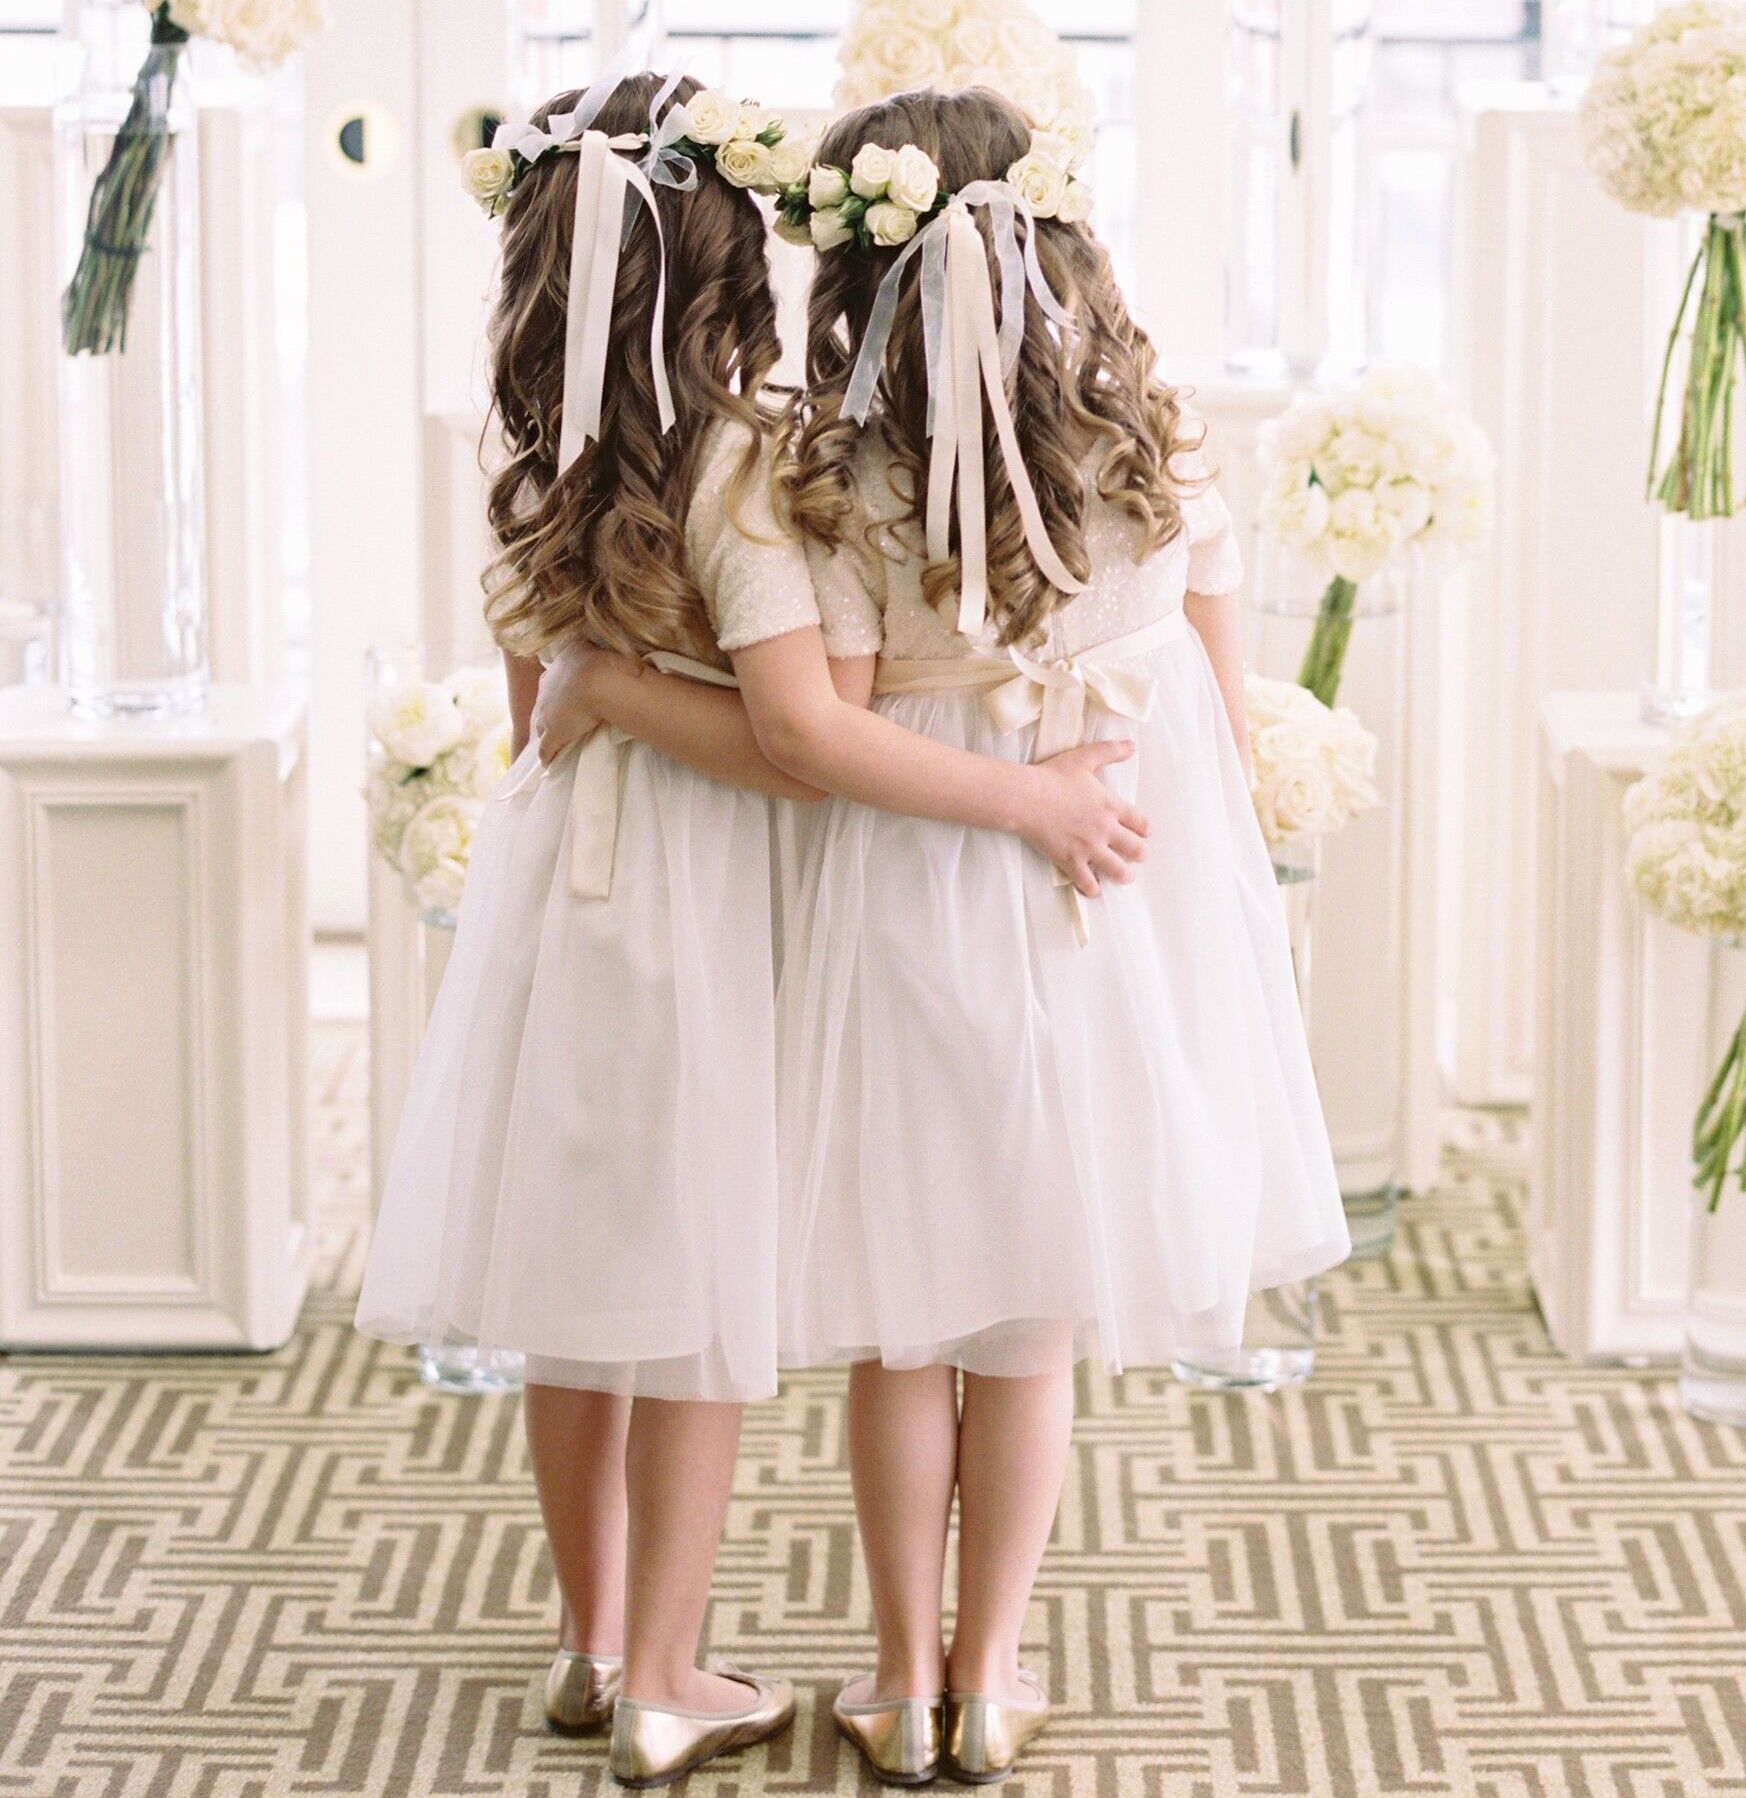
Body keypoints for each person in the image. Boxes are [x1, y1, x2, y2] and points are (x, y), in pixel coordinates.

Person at [534, 84, 1349, 1785]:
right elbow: (1215, 700)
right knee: (1030, 1324)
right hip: (1101, 896)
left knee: (912, 1316)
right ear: (1061, 248)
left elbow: (814, 730)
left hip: (910, 894)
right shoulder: (1161, 445)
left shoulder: (837, 478)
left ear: (854, 275)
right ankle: (992, 1679)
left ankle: (899, 1685)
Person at [355, 67, 1146, 1790]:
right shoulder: (739, 465)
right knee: (685, 1282)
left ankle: (587, 1639)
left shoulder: (526, 448)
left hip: (557, 901)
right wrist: (636, 695)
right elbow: (798, 746)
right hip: (695, 893)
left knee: (580, 1283)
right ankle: (661, 1673)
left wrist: (599, 685)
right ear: (724, 255)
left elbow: (533, 719)